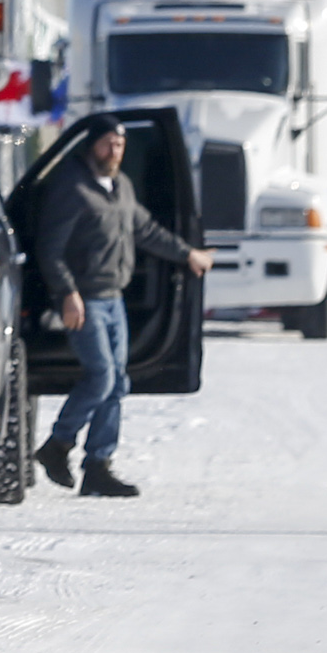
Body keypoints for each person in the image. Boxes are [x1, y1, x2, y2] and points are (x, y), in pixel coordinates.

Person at [34, 115, 211, 495]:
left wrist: (187, 254)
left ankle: (98, 466)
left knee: (117, 384)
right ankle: (57, 444)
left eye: (119, 144)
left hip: (114, 299)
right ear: (91, 146)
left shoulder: (121, 187)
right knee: (101, 376)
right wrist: (67, 293)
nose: (114, 151)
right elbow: (50, 249)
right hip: (85, 299)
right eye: (107, 144)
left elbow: (145, 230)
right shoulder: (72, 186)